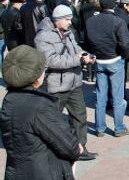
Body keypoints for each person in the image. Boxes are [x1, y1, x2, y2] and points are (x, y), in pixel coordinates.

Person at [0, 45, 82, 179]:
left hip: (16, 172)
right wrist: (76, 147)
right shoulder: (39, 106)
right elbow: (68, 145)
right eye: (43, 69)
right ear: (36, 77)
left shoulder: (9, 100)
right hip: (44, 172)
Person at [34, 5, 97, 161]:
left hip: (74, 83)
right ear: (58, 20)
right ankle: (52, 151)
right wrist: (79, 59)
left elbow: (76, 48)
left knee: (79, 118)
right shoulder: (42, 37)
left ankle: (79, 148)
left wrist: (85, 54)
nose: (70, 22)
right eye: (67, 19)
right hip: (56, 86)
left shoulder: (68, 33)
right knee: (52, 122)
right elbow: (52, 60)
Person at [84, 0, 129, 137]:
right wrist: (124, 55)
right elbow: (125, 43)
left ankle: (100, 128)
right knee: (118, 97)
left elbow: (86, 41)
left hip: (99, 60)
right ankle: (119, 127)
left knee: (101, 97)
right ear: (113, 6)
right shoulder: (117, 21)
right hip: (115, 60)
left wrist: (94, 53)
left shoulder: (91, 21)